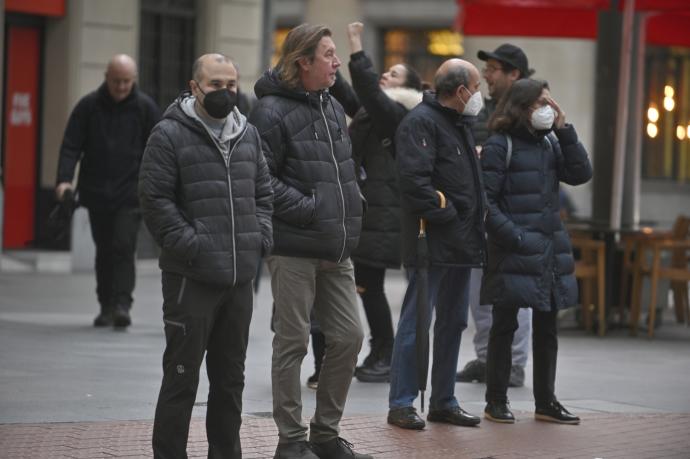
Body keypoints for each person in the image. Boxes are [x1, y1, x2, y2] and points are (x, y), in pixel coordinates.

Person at [139, 53, 273, 458]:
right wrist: (192, 245)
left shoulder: (247, 134)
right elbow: (154, 200)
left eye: (231, 84)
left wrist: (258, 239)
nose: (225, 92)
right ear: (195, 86)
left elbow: (264, 193)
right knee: (181, 378)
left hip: (238, 280)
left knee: (231, 379)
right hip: (190, 279)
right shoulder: (168, 134)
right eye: (216, 84)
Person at [249, 24, 371, 459]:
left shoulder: (333, 106)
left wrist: (354, 197)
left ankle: (324, 433)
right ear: (303, 61)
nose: (337, 62)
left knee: (350, 337)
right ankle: (291, 440)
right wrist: (310, 209)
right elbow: (259, 179)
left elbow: (347, 165)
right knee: (293, 343)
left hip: (336, 247)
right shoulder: (269, 111)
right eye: (329, 54)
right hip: (293, 247)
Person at [480, 78, 592, 425]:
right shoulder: (500, 145)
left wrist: (565, 130)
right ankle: (496, 400)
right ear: (522, 107)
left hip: (548, 250)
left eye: (550, 102)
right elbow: (485, 203)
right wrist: (515, 237)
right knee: (504, 326)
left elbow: (581, 173)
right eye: (541, 102)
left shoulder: (550, 143)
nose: (548, 108)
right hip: (514, 249)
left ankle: (546, 401)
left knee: (547, 327)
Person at [386, 58, 486, 431]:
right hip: (432, 243)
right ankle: (402, 402)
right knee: (417, 322)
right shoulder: (421, 122)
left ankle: (443, 400)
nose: (479, 96)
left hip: (461, 243)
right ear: (460, 91)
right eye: (475, 89)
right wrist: (451, 213)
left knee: (454, 322)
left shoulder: (461, 123)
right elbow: (415, 184)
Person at [328, 22, 423, 383]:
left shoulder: (399, 114)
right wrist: (335, 69)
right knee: (368, 285)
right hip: (370, 213)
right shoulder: (377, 111)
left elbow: (365, 90)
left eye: (394, 74)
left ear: (408, 89)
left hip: (382, 217)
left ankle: (384, 351)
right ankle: (382, 349)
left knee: (370, 285)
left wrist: (355, 45)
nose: (386, 75)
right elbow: (353, 96)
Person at [55, 54, 159, 328]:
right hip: (97, 192)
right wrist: (64, 181)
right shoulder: (88, 106)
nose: (121, 87)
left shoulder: (146, 108)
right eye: (116, 81)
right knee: (104, 249)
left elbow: (159, 150)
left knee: (123, 246)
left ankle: (123, 304)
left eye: (126, 81)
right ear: (106, 78)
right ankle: (105, 305)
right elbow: (71, 146)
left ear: (133, 80)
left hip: (131, 193)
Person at [457, 43, 534, 388]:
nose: (486, 75)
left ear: (514, 74)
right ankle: (487, 357)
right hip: (480, 216)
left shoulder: (530, 112)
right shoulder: (481, 110)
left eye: (493, 69)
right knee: (479, 293)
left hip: (513, 217)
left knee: (516, 294)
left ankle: (514, 364)